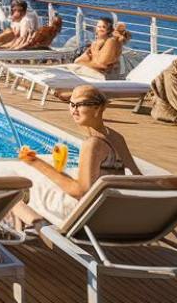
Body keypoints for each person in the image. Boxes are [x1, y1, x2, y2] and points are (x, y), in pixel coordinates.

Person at [10, 85, 141, 228]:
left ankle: (37, 228)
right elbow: (137, 178)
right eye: (71, 104)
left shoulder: (93, 144)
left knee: (12, 194)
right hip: (111, 211)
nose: (74, 110)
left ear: (98, 108)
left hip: (89, 216)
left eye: (81, 104)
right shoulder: (116, 137)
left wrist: (35, 162)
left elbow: (80, 192)